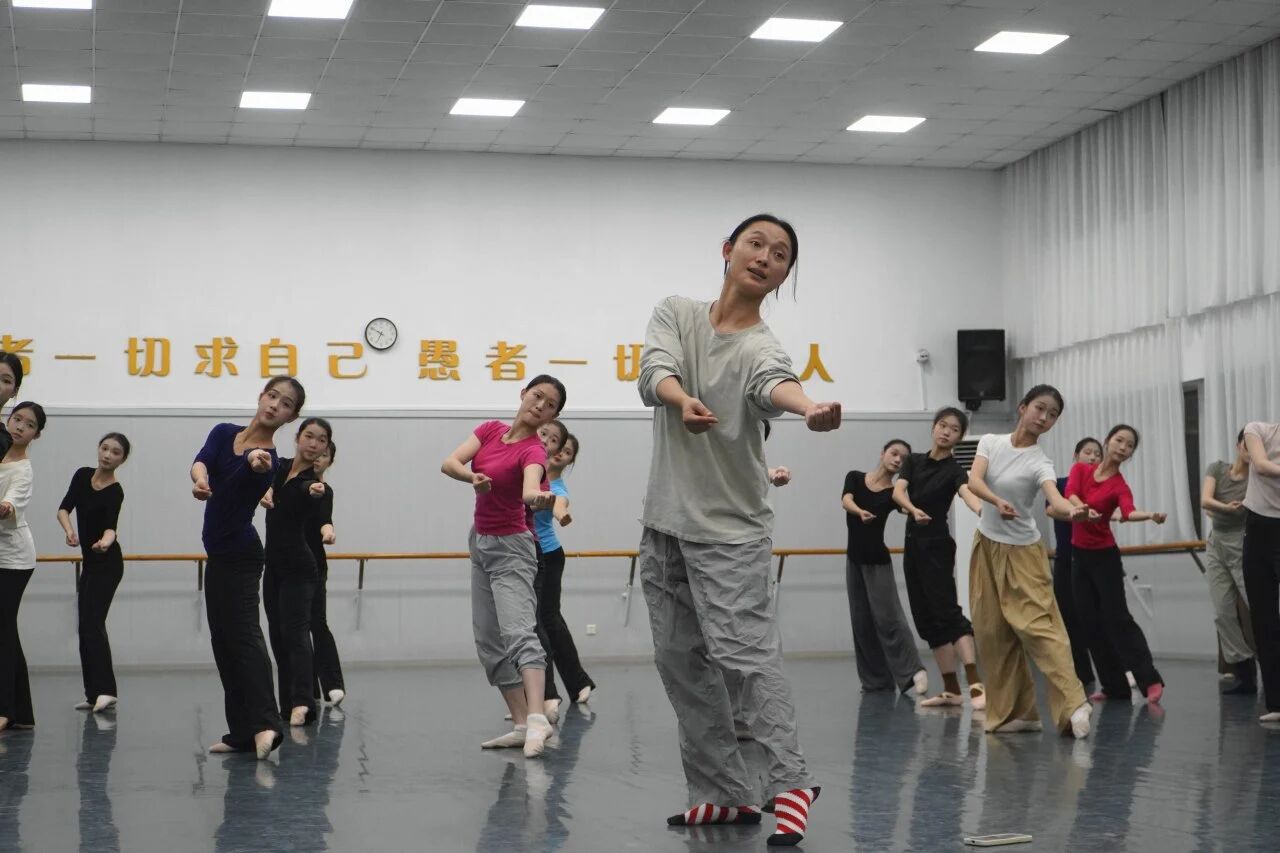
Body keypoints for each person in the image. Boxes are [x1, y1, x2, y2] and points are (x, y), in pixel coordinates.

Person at [638, 213, 840, 847]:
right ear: (727, 250)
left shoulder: (762, 346)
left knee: (745, 659)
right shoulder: (676, 312)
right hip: (665, 524)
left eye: (780, 255)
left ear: (782, 276)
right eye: (756, 244)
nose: (765, 257)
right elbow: (653, 371)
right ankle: (723, 793)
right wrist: (681, 400)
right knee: (680, 663)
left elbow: (775, 383)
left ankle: (791, 783)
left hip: (730, 534)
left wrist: (810, 407)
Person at [441, 375, 563, 759]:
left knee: (518, 633)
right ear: (523, 394)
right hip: (480, 542)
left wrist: (539, 498)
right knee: (488, 641)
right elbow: (449, 463)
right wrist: (472, 477)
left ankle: (539, 716)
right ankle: (522, 722)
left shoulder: (534, 451)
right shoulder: (490, 430)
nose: (540, 405)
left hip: (512, 548)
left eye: (550, 405)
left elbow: (529, 489)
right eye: (537, 395)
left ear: (552, 417)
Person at [964, 384, 1093, 737]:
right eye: (1040, 408)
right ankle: (1017, 714)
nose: (1044, 417)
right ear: (1022, 407)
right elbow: (974, 480)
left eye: (1052, 415)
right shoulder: (991, 442)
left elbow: (1056, 499)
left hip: (1023, 553)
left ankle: (1075, 703)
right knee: (992, 633)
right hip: (986, 546)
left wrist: (1073, 511)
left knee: (1040, 628)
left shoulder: (1040, 462)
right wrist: (996, 501)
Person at [191, 377, 304, 759]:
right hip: (218, 556)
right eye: (272, 396)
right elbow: (203, 460)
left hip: (241, 556)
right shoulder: (224, 432)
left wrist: (255, 463)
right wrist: (200, 480)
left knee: (244, 637)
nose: (274, 405)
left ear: (290, 417)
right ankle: (240, 732)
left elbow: (253, 469)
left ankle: (266, 724)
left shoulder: (268, 461)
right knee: (222, 642)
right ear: (261, 396)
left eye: (285, 404)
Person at [1066, 424, 1168, 705]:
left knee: (1117, 618)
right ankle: (1114, 686)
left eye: (1130, 445)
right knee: (1089, 621)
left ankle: (1150, 678)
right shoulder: (1081, 470)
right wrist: (1081, 507)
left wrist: (1150, 515)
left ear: (1131, 453)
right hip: (1079, 556)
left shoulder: (1119, 485)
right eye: (1119, 440)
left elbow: (1128, 512)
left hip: (1104, 557)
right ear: (1107, 441)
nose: (1123, 447)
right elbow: (1070, 493)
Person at [893, 407, 986, 709]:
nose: (946, 432)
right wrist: (912, 509)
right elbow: (898, 492)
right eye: (943, 425)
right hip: (913, 545)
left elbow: (967, 492)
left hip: (937, 546)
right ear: (933, 427)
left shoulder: (955, 470)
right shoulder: (913, 461)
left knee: (947, 612)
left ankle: (975, 684)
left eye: (954, 429)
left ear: (960, 437)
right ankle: (951, 690)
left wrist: (982, 510)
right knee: (925, 617)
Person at [842, 439, 928, 695]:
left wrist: (915, 511)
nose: (897, 459)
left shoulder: (893, 493)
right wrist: (860, 512)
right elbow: (846, 500)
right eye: (894, 453)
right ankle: (876, 681)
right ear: (883, 453)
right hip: (853, 561)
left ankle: (914, 670)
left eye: (903, 458)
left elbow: (907, 506)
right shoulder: (855, 477)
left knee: (889, 618)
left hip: (877, 562)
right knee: (861, 623)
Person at [262, 417, 333, 727]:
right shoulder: (279, 467)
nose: (314, 444)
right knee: (277, 635)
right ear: (298, 437)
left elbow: (314, 494)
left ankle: (303, 702)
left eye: (321, 440)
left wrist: (315, 494)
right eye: (309, 436)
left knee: (296, 633)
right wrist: (264, 491)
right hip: (273, 566)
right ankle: (287, 702)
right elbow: (264, 481)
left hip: (300, 569)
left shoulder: (313, 482)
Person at [57, 433, 130, 714]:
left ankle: (107, 691)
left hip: (108, 564)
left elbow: (111, 527)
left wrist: (105, 542)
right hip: (90, 562)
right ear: (98, 449)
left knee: (93, 623)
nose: (108, 455)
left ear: (122, 460)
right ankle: (92, 694)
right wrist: (70, 532)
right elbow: (64, 509)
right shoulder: (82, 475)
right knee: (84, 626)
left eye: (115, 452)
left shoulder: (115, 491)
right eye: (105, 448)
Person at [533, 430, 596, 706]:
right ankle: (569, 685)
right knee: (540, 622)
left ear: (570, 462)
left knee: (543, 621)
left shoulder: (558, 488)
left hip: (548, 556)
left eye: (568, 453)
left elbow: (560, 504)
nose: (561, 453)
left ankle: (548, 694)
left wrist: (561, 513)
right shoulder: (531, 474)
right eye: (560, 447)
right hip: (524, 555)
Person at [0, 401, 46, 733]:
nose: (20, 427)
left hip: (14, 558)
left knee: (2, 630)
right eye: (17, 419)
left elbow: (6, 508)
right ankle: (23, 713)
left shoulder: (24, 470)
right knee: (6, 631)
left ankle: (5, 710)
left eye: (28, 425)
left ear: (36, 435)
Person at [1202, 430, 1255, 694]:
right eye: (1247, 444)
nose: (1251, 450)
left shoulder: (1258, 479)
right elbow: (1205, 500)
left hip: (1242, 542)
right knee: (1222, 611)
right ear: (1238, 445)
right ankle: (1244, 670)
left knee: (1258, 607)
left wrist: (1220, 509)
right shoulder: (1217, 468)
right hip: (1216, 543)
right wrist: (1226, 508)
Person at [1052, 437, 1102, 693]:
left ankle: (1116, 671)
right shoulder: (1061, 484)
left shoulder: (1102, 487)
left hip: (1095, 558)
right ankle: (1082, 674)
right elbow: (1051, 510)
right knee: (1069, 617)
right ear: (1076, 455)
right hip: (1066, 558)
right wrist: (1076, 514)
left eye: (1097, 454)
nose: (1092, 457)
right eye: (1087, 452)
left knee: (1098, 616)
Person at [1240, 421, 1280, 723]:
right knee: (1264, 618)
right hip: (1259, 530)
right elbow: (1262, 466)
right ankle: (1276, 701)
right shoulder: (1259, 430)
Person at [308, 441, 344, 707]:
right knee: (294, 628)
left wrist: (328, 531)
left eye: (324, 455)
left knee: (317, 622)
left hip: (314, 563)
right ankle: (308, 688)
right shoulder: (290, 483)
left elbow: (325, 519)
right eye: (316, 454)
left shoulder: (325, 491)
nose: (318, 458)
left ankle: (333, 684)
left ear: (330, 461)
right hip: (288, 560)